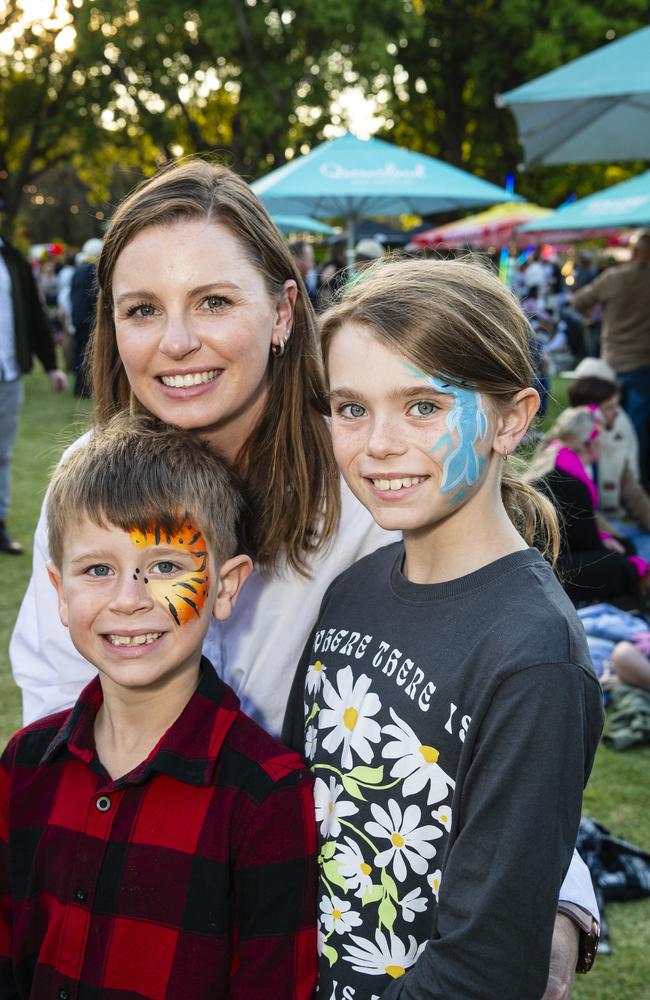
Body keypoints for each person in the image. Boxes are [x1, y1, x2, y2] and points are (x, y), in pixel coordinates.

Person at [9, 159, 599, 995]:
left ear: (284, 311)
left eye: (214, 301)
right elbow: (63, 725)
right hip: (151, 902)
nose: (177, 342)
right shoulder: (88, 487)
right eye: (143, 310)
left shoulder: (369, 479)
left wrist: (561, 904)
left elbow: (472, 709)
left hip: (309, 920)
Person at [282, 258, 604, 999]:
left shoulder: (533, 657)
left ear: (511, 420)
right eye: (352, 408)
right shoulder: (352, 591)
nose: (378, 443)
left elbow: (484, 967)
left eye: (423, 407)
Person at [0, 413, 317, 998]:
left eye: (165, 568)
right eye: (98, 570)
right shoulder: (24, 766)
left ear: (225, 586)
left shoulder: (265, 794)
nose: (128, 600)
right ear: (59, 594)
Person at [526, 407, 646, 607]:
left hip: (541, 560)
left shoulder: (554, 461)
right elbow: (585, 542)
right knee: (620, 561)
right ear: (591, 443)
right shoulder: (570, 483)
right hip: (546, 571)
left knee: (623, 547)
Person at [0, 228, 67, 555]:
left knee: (2, 454)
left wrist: (51, 364)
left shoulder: (12, 259)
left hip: (8, 373)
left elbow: (35, 313)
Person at [571, 230, 650, 481]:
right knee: (638, 428)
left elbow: (578, 301)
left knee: (603, 423)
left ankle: (601, 476)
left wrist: (595, 312)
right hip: (643, 363)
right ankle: (634, 479)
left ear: (634, 252)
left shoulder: (613, 278)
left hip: (611, 362)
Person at [563, 356, 650, 561]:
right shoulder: (565, 446)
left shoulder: (613, 434)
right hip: (583, 537)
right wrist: (622, 544)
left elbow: (631, 491)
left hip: (610, 523)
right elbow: (585, 516)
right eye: (611, 407)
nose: (617, 413)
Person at [70, 237, 102, 397]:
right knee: (87, 354)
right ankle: (85, 390)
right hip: (88, 319)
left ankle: (80, 388)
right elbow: (93, 297)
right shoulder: (91, 271)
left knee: (80, 353)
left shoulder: (78, 270)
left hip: (77, 318)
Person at [289, 239, 319, 306]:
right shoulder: (291, 288)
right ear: (298, 261)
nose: (312, 264)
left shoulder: (305, 284)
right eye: (311, 260)